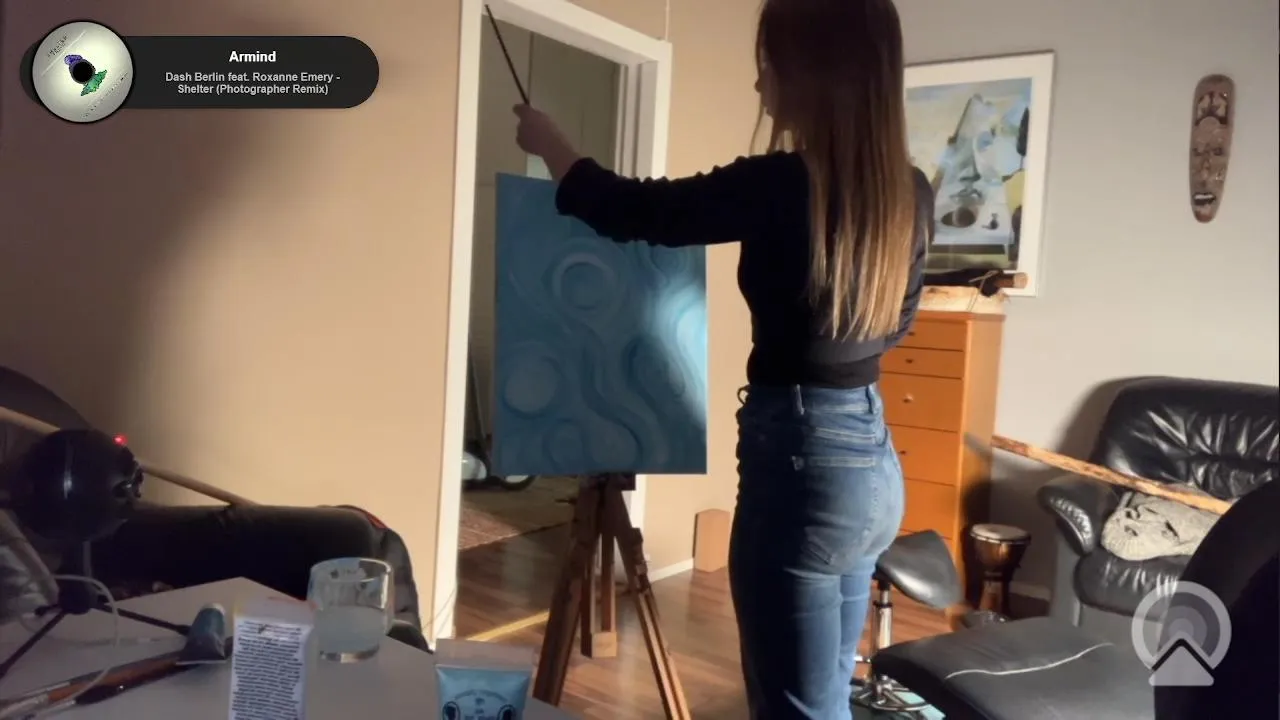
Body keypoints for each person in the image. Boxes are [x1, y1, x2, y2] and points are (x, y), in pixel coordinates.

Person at [513, 0, 930, 717]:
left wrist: (552, 144)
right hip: (873, 466)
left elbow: (636, 210)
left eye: (770, 64)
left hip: (803, 467)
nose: (761, 83)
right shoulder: (909, 192)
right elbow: (897, 324)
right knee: (827, 696)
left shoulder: (780, 183)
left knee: (796, 708)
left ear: (814, 73)